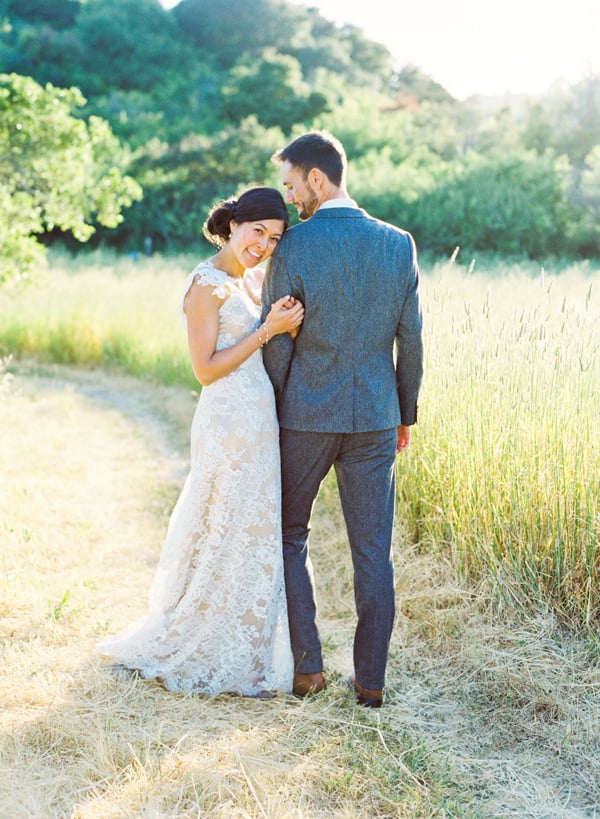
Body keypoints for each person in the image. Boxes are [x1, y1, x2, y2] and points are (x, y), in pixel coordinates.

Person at [96, 186, 304, 697]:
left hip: (259, 415)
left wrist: (284, 324)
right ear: (234, 225)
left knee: (252, 527)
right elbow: (205, 369)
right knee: (222, 521)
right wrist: (267, 332)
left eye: (275, 238)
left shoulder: (254, 280)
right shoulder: (205, 286)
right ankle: (201, 639)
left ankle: (246, 645)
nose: (264, 245)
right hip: (227, 418)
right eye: (258, 232)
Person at [262, 131, 424, 708]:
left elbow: (279, 342)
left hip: (304, 415)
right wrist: (404, 413)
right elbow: (412, 339)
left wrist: (272, 409)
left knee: (287, 533)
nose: (290, 198)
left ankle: (308, 668)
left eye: (292, 184)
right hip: (376, 419)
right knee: (373, 551)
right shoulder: (398, 243)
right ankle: (371, 683)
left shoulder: (295, 246)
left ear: (316, 178)